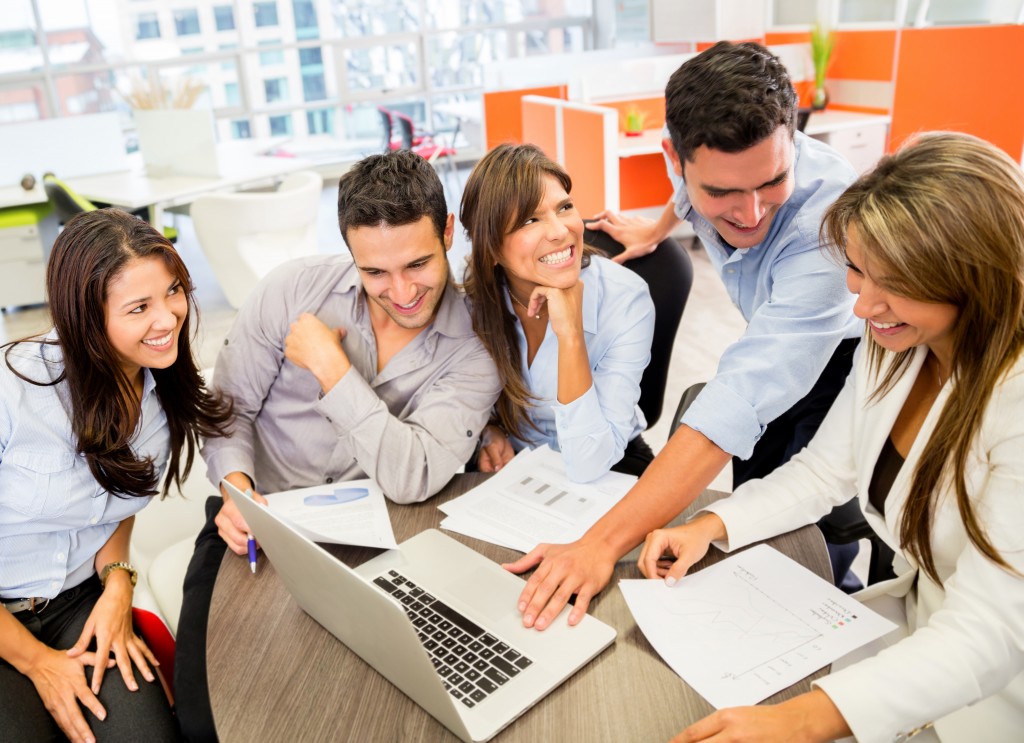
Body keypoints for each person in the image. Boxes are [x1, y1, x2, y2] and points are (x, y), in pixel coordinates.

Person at [643, 132, 1024, 743]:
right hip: (915, 635)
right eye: (856, 269)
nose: (864, 304)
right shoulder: (898, 342)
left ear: (975, 274)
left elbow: (992, 632)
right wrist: (710, 527)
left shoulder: (1014, 402)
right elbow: (825, 471)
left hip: (993, 692)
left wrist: (802, 722)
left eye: (894, 281)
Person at [505, 40, 864, 631]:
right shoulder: (697, 172)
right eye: (720, 192)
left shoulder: (827, 224)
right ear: (676, 156)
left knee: (810, 518)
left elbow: (737, 400)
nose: (750, 213)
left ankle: (832, 593)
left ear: (792, 138)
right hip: (767, 333)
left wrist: (599, 545)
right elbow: (684, 196)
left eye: (771, 182)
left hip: (840, 353)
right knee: (753, 496)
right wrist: (656, 228)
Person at [175, 149, 501, 741]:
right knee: (207, 720)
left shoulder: (476, 345)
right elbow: (227, 412)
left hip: (372, 535)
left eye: (418, 264)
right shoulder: (290, 290)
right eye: (374, 272)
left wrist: (331, 368)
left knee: (369, 714)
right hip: (251, 521)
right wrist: (237, 490)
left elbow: (414, 475)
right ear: (350, 250)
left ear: (448, 232)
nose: (401, 292)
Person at [0, 209, 232, 743]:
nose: (169, 318)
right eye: (139, 308)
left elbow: (116, 506)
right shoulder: (15, 392)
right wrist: (39, 663)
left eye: (173, 291)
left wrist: (117, 583)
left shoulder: (160, 395)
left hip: (80, 601)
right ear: (86, 319)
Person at [460, 143, 656, 480]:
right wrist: (488, 431)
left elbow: (590, 462)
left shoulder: (624, 299)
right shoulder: (472, 304)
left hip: (609, 464)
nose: (559, 231)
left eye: (564, 207)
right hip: (515, 463)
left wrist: (571, 336)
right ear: (491, 249)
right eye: (530, 220)